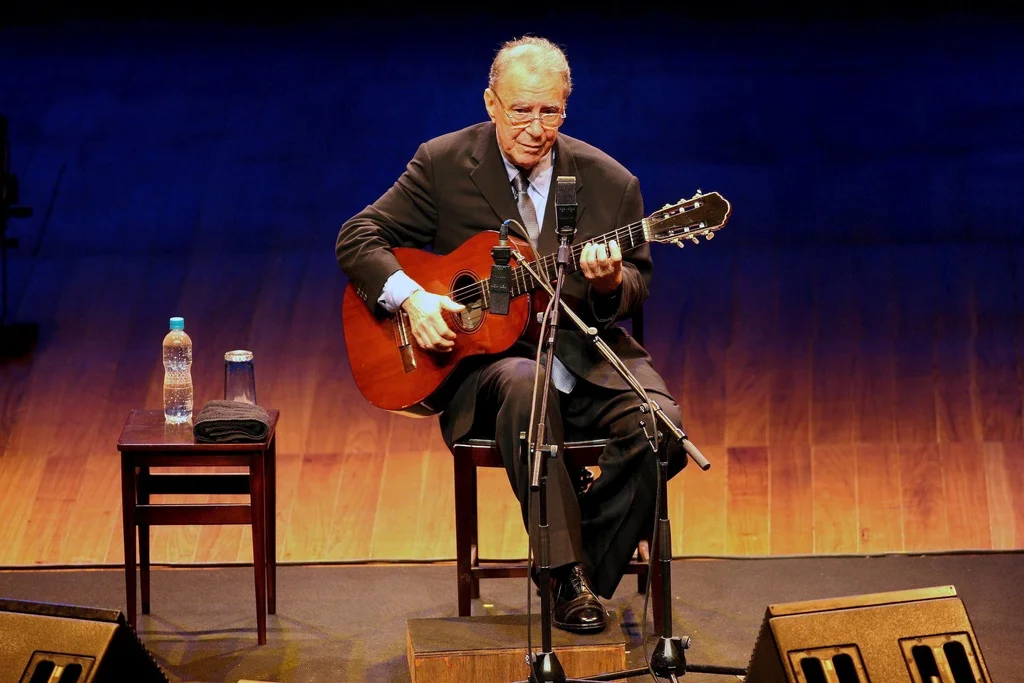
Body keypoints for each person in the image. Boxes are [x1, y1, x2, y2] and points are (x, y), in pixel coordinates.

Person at [336, 35, 687, 634]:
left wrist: (606, 284)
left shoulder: (610, 182)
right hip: (488, 370)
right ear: (492, 104)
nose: (535, 127)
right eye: (521, 110)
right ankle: (563, 579)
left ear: (566, 108)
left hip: (585, 352)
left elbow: (634, 287)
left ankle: (573, 552)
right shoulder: (443, 163)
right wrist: (415, 298)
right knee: (527, 385)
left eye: (550, 112)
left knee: (663, 432)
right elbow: (358, 237)